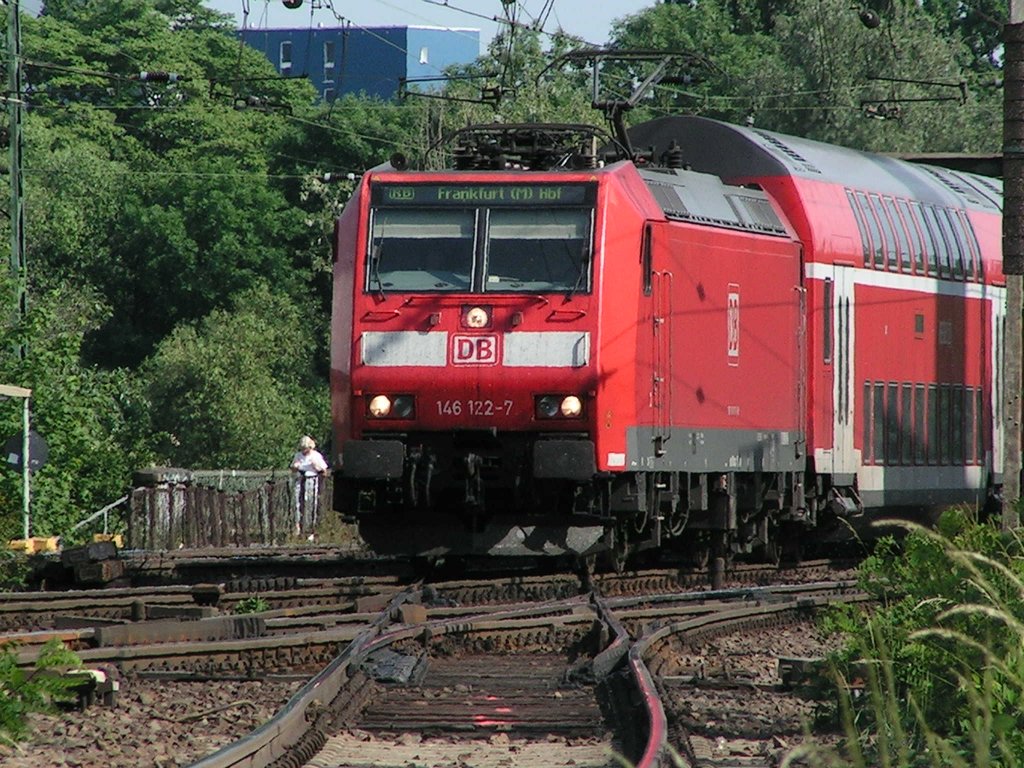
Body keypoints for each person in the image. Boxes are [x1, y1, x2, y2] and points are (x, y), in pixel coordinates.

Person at [290, 436, 328, 535]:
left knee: (311, 504)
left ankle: (311, 528)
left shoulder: (316, 456)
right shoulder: (298, 456)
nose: (304, 451)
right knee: (298, 504)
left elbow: (324, 471)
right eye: (302, 449)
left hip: (312, 482)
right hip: (300, 481)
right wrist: (295, 466)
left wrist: (316, 466)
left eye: (305, 449)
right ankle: (298, 527)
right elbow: (293, 468)